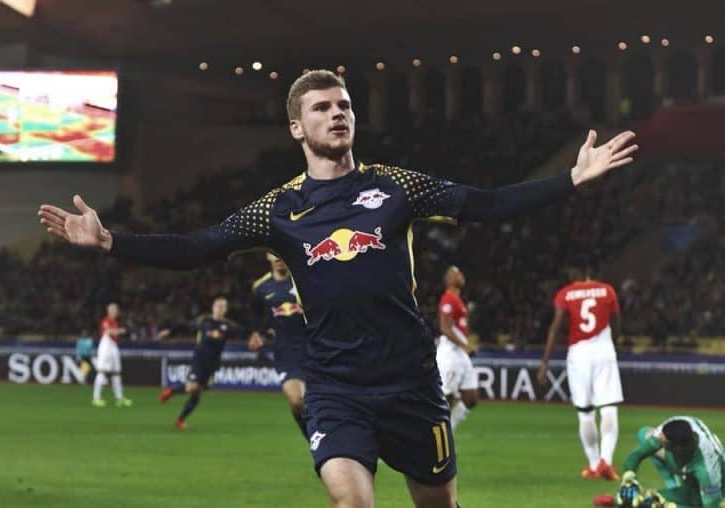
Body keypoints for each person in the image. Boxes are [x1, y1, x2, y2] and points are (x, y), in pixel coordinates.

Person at [39, 69, 638, 508]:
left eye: (345, 105)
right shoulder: (279, 209)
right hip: (335, 384)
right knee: (351, 501)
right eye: (322, 107)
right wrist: (112, 242)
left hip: (411, 382)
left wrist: (571, 179)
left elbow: (487, 204)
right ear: (297, 127)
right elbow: (199, 247)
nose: (338, 114)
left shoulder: (396, 187)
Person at [536, 264, 622, 481]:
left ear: (573, 275)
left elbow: (555, 328)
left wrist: (545, 363)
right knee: (609, 408)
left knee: (585, 412)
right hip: (603, 349)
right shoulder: (607, 290)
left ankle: (593, 465)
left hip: (579, 353)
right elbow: (617, 323)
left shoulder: (565, 294)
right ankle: (606, 461)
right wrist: (612, 344)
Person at [248, 253, 309, 439]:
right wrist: (257, 334)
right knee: (297, 402)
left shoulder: (303, 279)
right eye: (273, 253)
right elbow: (259, 317)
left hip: (314, 350)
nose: (278, 257)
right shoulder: (260, 287)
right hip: (286, 353)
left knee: (320, 403)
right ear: (267, 256)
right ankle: (313, 441)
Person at [158, 296, 240, 429]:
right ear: (213, 307)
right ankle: (171, 391)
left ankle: (180, 420)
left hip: (212, 364)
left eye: (223, 307)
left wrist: (260, 334)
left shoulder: (229, 327)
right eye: (218, 306)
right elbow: (185, 326)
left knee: (197, 392)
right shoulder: (204, 321)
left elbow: (244, 331)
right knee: (191, 387)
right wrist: (169, 331)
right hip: (199, 360)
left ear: (226, 310)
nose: (220, 309)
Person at [613, 416, 724, 508]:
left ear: (678, 449)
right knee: (644, 434)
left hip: (708, 490)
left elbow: (711, 505)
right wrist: (629, 479)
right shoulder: (674, 426)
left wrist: (668, 506)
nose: (658, 440)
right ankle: (672, 484)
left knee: (652, 503)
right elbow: (637, 455)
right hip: (685, 464)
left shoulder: (707, 470)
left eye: (664, 443)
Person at [435, 266, 478, 432]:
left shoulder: (457, 299)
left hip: (460, 353)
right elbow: (444, 327)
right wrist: (464, 345)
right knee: (446, 397)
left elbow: (456, 327)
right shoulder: (448, 298)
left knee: (471, 398)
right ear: (449, 280)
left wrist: (466, 342)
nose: (461, 275)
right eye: (457, 273)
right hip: (450, 353)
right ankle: (436, 438)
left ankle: (448, 433)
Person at [93, 302, 132, 407]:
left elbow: (115, 333)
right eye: (115, 310)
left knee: (116, 372)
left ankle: (119, 398)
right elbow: (109, 332)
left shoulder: (115, 322)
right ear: (109, 311)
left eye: (117, 310)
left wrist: (119, 331)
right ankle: (96, 398)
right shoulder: (106, 320)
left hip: (114, 346)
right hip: (106, 346)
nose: (117, 312)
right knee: (102, 372)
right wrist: (121, 330)